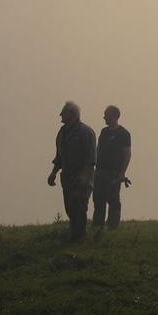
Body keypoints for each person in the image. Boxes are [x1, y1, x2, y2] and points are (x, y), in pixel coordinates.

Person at [47, 101, 97, 240]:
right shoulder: (62, 133)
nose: (61, 116)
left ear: (72, 114)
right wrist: (54, 172)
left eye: (64, 113)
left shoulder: (85, 132)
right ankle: (75, 234)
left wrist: (84, 175)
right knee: (69, 206)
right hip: (67, 177)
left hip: (82, 176)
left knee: (79, 205)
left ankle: (79, 237)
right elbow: (59, 156)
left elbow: (91, 157)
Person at [92, 105, 133, 232]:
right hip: (100, 171)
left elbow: (127, 154)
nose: (104, 117)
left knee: (113, 199)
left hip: (114, 172)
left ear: (114, 116)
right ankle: (98, 226)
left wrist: (122, 173)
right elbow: (98, 150)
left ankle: (112, 227)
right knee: (98, 199)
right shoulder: (104, 132)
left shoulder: (124, 134)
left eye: (106, 115)